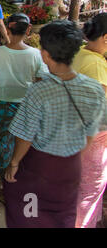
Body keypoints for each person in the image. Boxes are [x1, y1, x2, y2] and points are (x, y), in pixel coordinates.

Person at [3, 20, 107, 228]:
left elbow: (25, 135)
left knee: (30, 213)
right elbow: (92, 131)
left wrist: (14, 163)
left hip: (40, 168)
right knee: (63, 214)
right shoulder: (95, 89)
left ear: (46, 54)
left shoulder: (39, 90)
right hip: (70, 168)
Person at [0, 13, 48, 177]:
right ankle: (21, 176)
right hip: (26, 106)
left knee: (4, 142)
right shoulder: (36, 54)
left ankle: (5, 179)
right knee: (23, 142)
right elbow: (40, 82)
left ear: (7, 29)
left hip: (1, 106)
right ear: (28, 30)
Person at [72, 13, 107, 228]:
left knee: (82, 186)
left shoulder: (81, 55)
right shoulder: (95, 65)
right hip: (93, 137)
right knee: (90, 191)